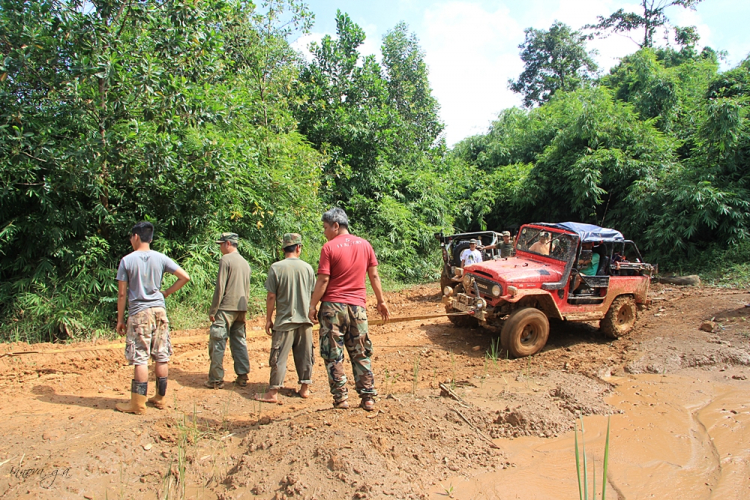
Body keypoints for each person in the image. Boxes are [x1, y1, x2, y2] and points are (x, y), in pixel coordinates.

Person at [308, 208, 390, 411]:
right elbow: (374, 276)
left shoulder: (328, 248)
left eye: (326, 228)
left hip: (333, 308)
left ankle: (341, 399)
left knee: (333, 354)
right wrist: (381, 301)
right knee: (361, 352)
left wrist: (312, 305)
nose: (325, 232)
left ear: (336, 226)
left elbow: (324, 279)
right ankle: (368, 397)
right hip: (358, 308)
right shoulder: (365, 245)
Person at [115, 221, 190, 414]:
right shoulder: (161, 258)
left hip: (139, 312)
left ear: (136, 237)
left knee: (140, 357)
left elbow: (122, 294)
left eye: (131, 237)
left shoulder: (127, 261)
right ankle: (160, 398)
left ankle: (137, 404)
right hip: (159, 310)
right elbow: (184, 277)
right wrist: (165, 293)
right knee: (161, 355)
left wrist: (120, 319)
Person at [255, 233, 316, 404]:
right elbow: (314, 294)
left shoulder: (276, 268)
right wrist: (313, 312)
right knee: (305, 355)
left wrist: (268, 318)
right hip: (305, 321)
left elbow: (271, 296)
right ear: (298, 248)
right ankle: (305, 388)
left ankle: (273, 392)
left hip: (284, 321)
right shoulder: (308, 268)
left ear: (283, 249)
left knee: (279, 357)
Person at [205, 232, 252, 389]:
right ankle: (242, 375)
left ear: (228, 244)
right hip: (241, 308)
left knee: (218, 341)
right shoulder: (245, 262)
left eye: (221, 244)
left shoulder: (225, 260)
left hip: (226, 308)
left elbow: (220, 287)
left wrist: (213, 310)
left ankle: (216, 379)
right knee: (239, 341)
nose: (220, 247)